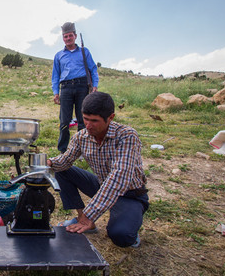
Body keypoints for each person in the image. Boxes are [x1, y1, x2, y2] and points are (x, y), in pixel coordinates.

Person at [47, 91, 149, 248]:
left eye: (94, 121)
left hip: (129, 195)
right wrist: (49, 163)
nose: (88, 125)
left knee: (121, 236)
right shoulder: (81, 137)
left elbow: (119, 178)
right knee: (62, 170)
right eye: (85, 119)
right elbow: (65, 161)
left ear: (111, 118)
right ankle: (84, 221)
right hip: (101, 186)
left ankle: (121, 223)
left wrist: (90, 214)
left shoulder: (127, 136)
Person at [52, 22, 99, 153]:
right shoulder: (58, 55)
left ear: (75, 36)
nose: (68, 39)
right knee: (64, 121)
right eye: (65, 36)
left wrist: (94, 85)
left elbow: (93, 69)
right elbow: (55, 75)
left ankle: (83, 150)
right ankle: (63, 151)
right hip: (66, 88)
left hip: (82, 86)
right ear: (63, 38)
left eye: (70, 36)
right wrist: (56, 92)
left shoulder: (85, 52)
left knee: (83, 120)